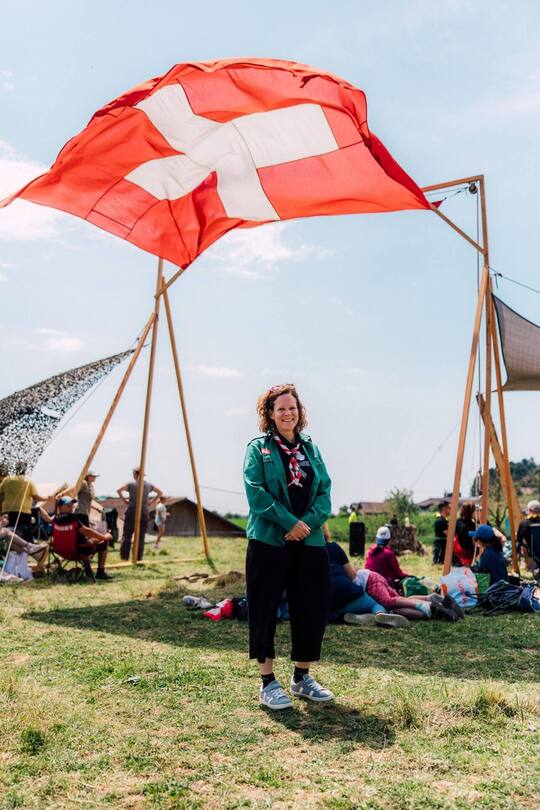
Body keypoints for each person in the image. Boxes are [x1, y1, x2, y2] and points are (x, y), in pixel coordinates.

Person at [244, 383, 333, 710]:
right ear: (269, 413)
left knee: (312, 605)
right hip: (269, 540)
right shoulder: (258, 449)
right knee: (264, 607)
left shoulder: (311, 449)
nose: (287, 413)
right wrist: (288, 523)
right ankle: (267, 682)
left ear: (300, 411)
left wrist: (305, 523)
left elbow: (325, 490)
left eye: (292, 407)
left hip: (308, 540)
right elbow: (256, 493)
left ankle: (302, 676)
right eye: (280, 408)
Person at [324, 527, 409, 628]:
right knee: (374, 605)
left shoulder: (371, 552)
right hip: (349, 592)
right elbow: (353, 576)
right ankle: (379, 613)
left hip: (326, 600)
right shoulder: (334, 547)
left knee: (325, 614)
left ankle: (343, 616)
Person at [52, 496, 113, 580]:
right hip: (79, 550)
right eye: (68, 506)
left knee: (91, 540)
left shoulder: (55, 520)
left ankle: (91, 571)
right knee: (104, 541)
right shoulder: (73, 519)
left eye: (72, 505)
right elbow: (87, 531)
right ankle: (100, 572)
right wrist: (103, 537)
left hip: (60, 551)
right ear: (60, 507)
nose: (71, 508)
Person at [117, 468, 163, 561]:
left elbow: (119, 490)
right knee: (141, 536)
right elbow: (160, 492)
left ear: (135, 474)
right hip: (144, 511)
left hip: (132, 510)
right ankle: (138, 557)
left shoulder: (131, 484)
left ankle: (124, 557)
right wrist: (151, 502)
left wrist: (125, 500)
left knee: (127, 535)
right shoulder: (148, 485)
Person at [355, 567, 434, 620]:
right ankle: (428, 601)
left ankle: (422, 606)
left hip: (369, 580)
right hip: (373, 577)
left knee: (387, 602)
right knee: (397, 603)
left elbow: (398, 572)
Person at [0, 462, 48, 542]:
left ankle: (10, 548)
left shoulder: (6, 480)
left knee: (8, 531)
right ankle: (25, 547)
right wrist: (46, 498)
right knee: (24, 531)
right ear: (25, 470)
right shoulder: (28, 481)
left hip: (7, 511)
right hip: (23, 512)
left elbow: (1, 497)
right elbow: (36, 497)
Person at [516, 500, 540, 567]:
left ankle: (523, 564)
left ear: (529, 510)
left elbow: (519, 540)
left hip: (534, 553)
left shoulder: (524, 524)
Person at [433, 500, 450, 565]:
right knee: (438, 563)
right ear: (444, 509)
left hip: (442, 545)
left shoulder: (444, 520)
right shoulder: (441, 521)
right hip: (441, 546)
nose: (450, 510)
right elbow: (448, 534)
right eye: (449, 508)